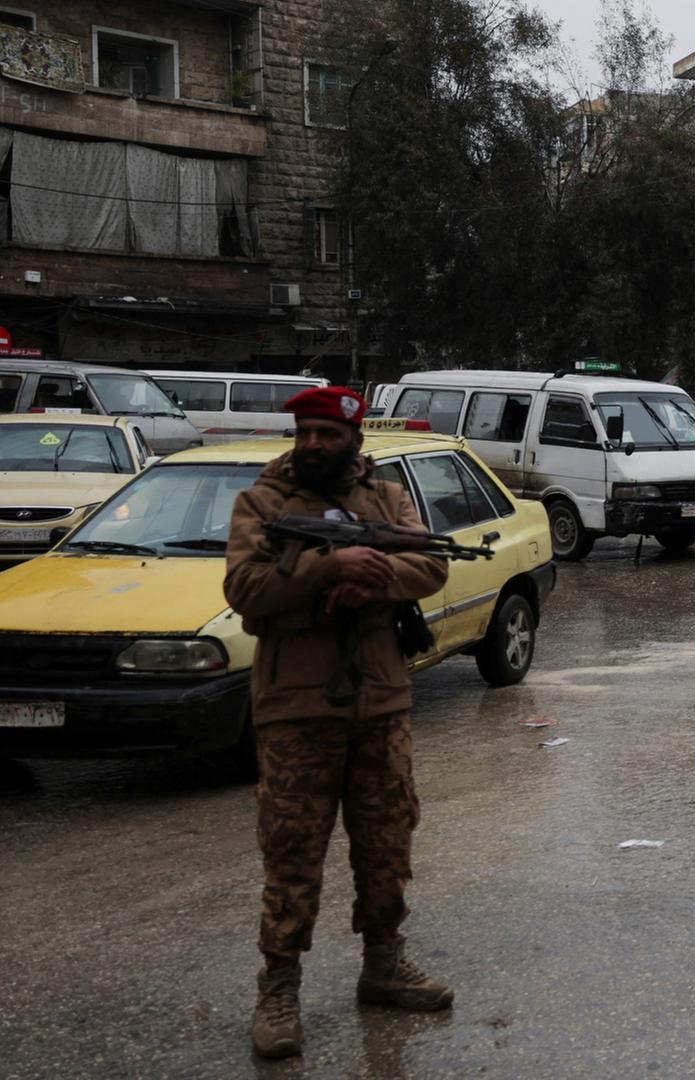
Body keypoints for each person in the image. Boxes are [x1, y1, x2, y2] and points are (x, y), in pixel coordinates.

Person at [224, 386, 455, 1060]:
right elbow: (244, 588)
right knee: (292, 848)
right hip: (296, 705)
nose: (313, 444)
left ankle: (383, 964)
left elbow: (432, 561)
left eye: (327, 434)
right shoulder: (262, 503)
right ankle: (279, 987)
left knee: (387, 840)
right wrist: (329, 568)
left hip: (379, 700)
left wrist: (372, 578)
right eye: (305, 433)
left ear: (354, 438)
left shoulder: (386, 497)